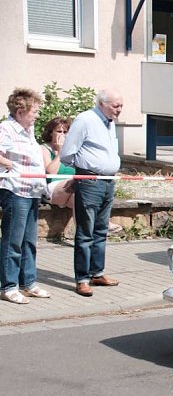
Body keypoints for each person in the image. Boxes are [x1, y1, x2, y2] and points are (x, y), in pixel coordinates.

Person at [60, 88, 124, 297]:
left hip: (108, 180)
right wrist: (84, 170)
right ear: (102, 104)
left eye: (121, 105)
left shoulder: (109, 122)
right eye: (116, 106)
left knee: (100, 230)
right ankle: (82, 279)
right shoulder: (86, 119)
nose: (119, 110)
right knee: (85, 231)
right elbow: (68, 152)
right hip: (90, 180)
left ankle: (97, 272)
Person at [0, 87, 50, 304]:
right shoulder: (6, 128)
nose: (37, 115)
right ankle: (8, 286)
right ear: (20, 111)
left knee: (29, 240)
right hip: (15, 190)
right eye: (34, 111)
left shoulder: (28, 130)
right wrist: (7, 163)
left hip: (32, 191)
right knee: (13, 240)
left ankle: (28, 283)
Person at [40, 117, 76, 208]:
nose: (62, 135)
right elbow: (50, 173)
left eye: (65, 132)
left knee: (79, 201)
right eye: (59, 132)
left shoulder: (73, 150)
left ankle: (99, 222)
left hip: (73, 187)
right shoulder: (44, 148)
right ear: (51, 133)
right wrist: (60, 152)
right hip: (53, 187)